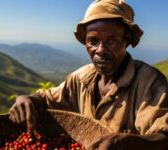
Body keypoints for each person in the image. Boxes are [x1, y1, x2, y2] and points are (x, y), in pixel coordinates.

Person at [9, 0, 168, 149]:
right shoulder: (81, 78)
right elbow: (46, 99)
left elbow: (164, 137)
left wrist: (126, 142)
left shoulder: (150, 83)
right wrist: (27, 99)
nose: (100, 50)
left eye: (111, 40)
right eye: (93, 41)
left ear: (126, 41)